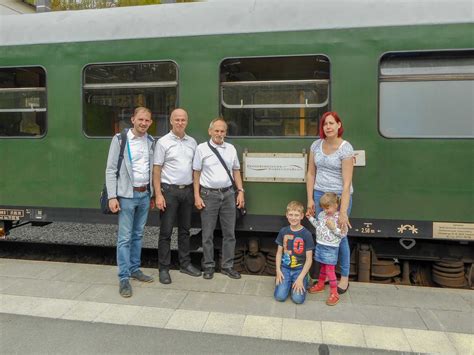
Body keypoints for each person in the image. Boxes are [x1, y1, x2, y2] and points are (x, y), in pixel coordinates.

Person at [105, 107, 155, 298]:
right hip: (126, 195)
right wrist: (112, 196)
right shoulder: (120, 140)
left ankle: (135, 269)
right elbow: (110, 169)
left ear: (150, 123)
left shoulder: (150, 142)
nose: (143, 123)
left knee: (138, 235)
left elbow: (150, 169)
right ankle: (123, 278)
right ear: (133, 119)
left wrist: (150, 194)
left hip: (144, 195)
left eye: (147, 120)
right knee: (124, 238)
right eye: (140, 119)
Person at [306, 111, 354, 294]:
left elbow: (347, 182)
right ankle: (323, 278)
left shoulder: (345, 148)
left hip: (339, 198)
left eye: (332, 123)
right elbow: (311, 173)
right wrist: (310, 198)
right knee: (322, 233)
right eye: (325, 124)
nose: (328, 127)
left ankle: (345, 277)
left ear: (339, 125)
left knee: (340, 236)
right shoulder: (316, 145)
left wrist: (342, 211)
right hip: (319, 195)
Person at [153, 108, 201, 284]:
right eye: (177, 120)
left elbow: (196, 169)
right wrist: (158, 194)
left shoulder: (192, 142)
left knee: (185, 231)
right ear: (171, 121)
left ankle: (185, 264)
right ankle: (163, 269)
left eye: (183, 120)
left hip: (187, 191)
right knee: (165, 232)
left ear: (186, 122)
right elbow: (156, 170)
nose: (180, 122)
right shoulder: (163, 142)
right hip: (169, 192)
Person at [192, 118, 245, 280]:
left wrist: (241, 191)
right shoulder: (201, 149)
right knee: (207, 234)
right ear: (210, 131)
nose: (219, 134)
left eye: (222, 131)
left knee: (229, 234)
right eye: (216, 130)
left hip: (229, 194)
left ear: (225, 133)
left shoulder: (230, 149)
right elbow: (196, 173)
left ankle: (227, 266)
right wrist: (196, 195)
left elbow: (236, 171)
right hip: (208, 195)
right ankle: (208, 266)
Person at [307, 193, 346, 306]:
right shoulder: (321, 215)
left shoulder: (339, 218)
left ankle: (334, 293)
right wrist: (310, 218)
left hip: (331, 248)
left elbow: (343, 234)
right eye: (323, 207)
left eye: (327, 207)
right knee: (323, 266)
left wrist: (333, 228)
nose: (325, 210)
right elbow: (318, 226)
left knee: (330, 270)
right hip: (320, 244)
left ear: (336, 205)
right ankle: (320, 284)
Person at [274, 201, 314, 304]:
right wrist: (278, 270)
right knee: (280, 297)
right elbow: (279, 253)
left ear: (301, 216)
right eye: (291, 215)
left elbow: (309, 259)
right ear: (287, 215)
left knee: (298, 299)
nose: (293, 218)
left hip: (299, 270)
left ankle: (304, 279)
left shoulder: (307, 234)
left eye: (296, 215)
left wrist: (300, 277)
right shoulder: (283, 231)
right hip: (285, 268)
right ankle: (287, 283)